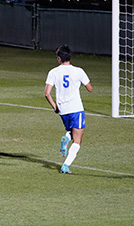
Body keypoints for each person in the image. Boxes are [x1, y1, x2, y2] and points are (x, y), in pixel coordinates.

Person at [44, 44, 92, 174]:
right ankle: (66, 165)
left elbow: (47, 93)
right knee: (78, 140)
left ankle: (66, 137)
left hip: (63, 110)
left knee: (71, 131)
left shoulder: (53, 72)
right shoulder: (78, 71)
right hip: (76, 108)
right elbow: (90, 88)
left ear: (59, 59)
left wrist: (55, 107)